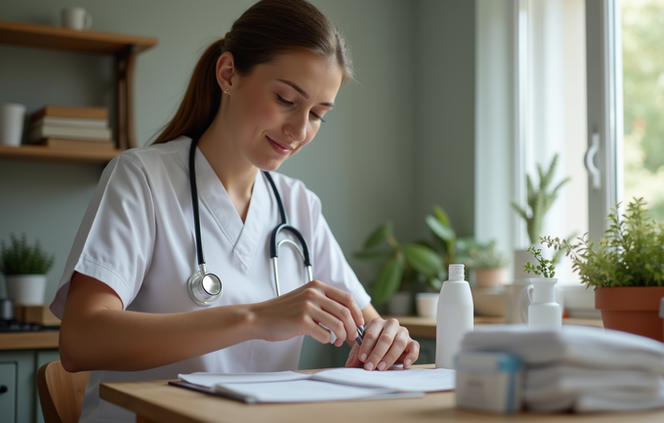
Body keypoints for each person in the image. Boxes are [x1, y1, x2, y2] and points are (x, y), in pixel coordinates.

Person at [49, 1, 419, 421]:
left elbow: (366, 324)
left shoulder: (299, 205)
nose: (299, 131)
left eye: (318, 114)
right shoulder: (142, 177)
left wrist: (384, 337)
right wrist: (255, 317)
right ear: (228, 74)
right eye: (285, 99)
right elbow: (81, 340)